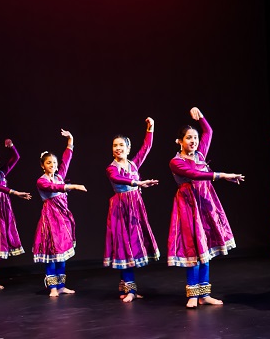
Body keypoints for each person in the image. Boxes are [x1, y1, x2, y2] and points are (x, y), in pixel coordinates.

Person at [168, 107, 245, 309]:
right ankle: (193, 293)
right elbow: (195, 175)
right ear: (180, 142)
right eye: (188, 138)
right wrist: (222, 175)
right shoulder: (176, 162)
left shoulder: (200, 155)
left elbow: (208, 132)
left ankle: (205, 293)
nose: (193, 141)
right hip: (188, 205)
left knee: (206, 247)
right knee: (194, 246)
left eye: (195, 138)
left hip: (205, 204)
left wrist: (200, 116)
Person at [104, 117, 160, 303]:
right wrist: (138, 182)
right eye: (115, 145)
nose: (117, 148)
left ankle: (129, 288)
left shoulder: (134, 163)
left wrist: (150, 128)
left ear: (128, 149)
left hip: (135, 208)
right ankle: (129, 288)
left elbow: (146, 148)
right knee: (123, 246)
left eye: (121, 145)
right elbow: (119, 180)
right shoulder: (111, 168)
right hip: (120, 209)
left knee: (133, 246)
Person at [33, 129, 87, 297]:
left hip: (62, 219)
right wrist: (73, 186)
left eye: (54, 163)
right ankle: (53, 287)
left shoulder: (59, 176)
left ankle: (62, 285)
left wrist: (70, 140)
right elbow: (53, 188)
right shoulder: (42, 181)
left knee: (62, 252)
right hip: (50, 219)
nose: (53, 166)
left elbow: (67, 159)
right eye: (49, 163)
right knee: (51, 252)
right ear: (43, 165)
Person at [0, 139, 32, 291]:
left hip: (5, 209)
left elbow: (16, 158)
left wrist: (11, 147)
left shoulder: (2, 173)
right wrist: (15, 192)